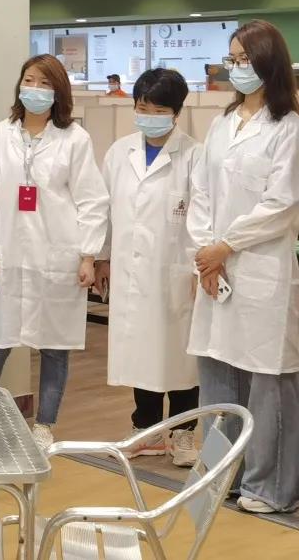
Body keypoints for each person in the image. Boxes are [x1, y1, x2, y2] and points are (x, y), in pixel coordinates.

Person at [188, 20, 299, 514]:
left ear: (268, 63)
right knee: (217, 375)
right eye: (231, 59)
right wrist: (206, 252)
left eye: (244, 59)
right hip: (216, 270)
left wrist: (226, 247)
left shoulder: (288, 127)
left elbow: (281, 205)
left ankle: (268, 486)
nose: (235, 68)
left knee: (267, 380)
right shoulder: (222, 123)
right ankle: (221, 475)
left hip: (260, 270)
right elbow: (201, 192)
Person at [0, 53, 109, 449]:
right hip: (10, 254)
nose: (35, 89)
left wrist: (88, 255)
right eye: (29, 80)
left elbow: (92, 200)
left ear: (58, 92)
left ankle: (45, 425)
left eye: (45, 83)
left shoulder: (74, 139)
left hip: (57, 255)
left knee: (54, 346)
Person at [97, 69, 200, 467]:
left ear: (176, 112)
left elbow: (203, 216)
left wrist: (198, 267)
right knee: (141, 350)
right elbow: (104, 210)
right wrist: (102, 256)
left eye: (160, 110)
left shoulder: (194, 155)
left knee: (180, 357)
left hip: (177, 271)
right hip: (131, 270)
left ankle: (184, 433)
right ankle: (146, 430)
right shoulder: (119, 153)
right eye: (143, 107)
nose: (150, 116)